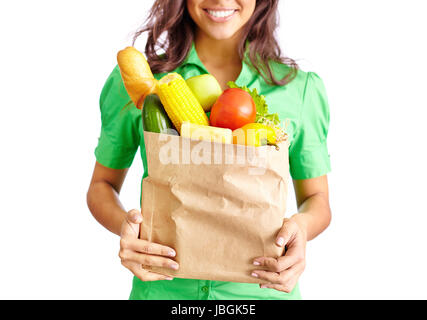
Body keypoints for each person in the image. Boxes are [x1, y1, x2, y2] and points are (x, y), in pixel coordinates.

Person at [87, 0, 332, 300]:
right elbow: (102, 185)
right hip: (164, 291)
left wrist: (300, 229)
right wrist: (128, 228)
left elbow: (316, 199)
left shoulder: (299, 89)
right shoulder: (144, 83)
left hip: (260, 293)